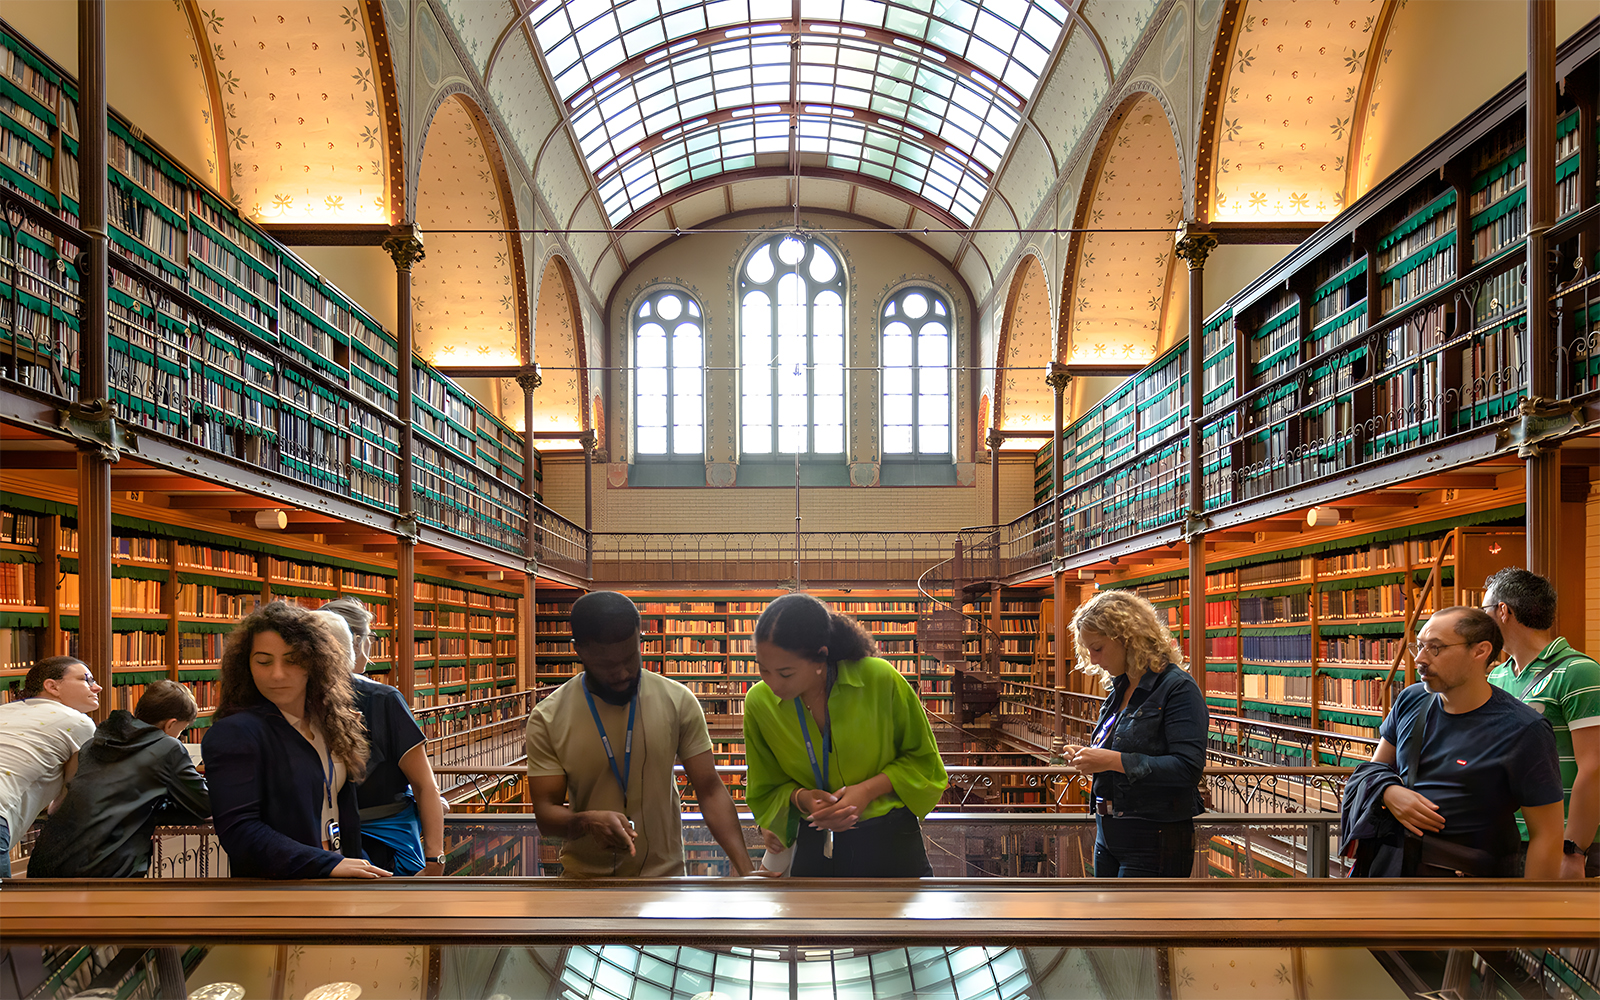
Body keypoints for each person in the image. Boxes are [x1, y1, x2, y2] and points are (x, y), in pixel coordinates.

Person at [525, 590, 754, 877]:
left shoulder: (678, 701)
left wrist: (747, 872)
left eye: (631, 658)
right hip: (583, 883)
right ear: (578, 650)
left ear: (639, 640)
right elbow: (546, 813)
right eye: (607, 665)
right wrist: (586, 821)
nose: (622, 673)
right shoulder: (547, 717)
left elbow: (709, 790)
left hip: (666, 882)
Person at [1341, 607, 1564, 878]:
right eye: (1419, 646)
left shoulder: (1525, 728)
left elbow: (1547, 835)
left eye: (1435, 648)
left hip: (1470, 884)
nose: (1420, 659)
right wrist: (1389, 791)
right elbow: (1375, 769)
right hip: (1394, 870)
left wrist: (1532, 911)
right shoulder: (1411, 700)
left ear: (1480, 651)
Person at [743, 593, 947, 877]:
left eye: (786, 673)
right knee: (811, 922)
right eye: (763, 669)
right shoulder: (758, 703)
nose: (772, 683)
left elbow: (924, 762)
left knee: (900, 923)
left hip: (889, 841)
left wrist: (867, 791)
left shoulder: (879, 679)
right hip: (812, 843)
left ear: (820, 658)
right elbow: (765, 785)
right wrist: (801, 798)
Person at [202, 601, 389, 879]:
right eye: (263, 661)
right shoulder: (235, 733)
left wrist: (354, 862)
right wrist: (326, 863)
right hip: (281, 892)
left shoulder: (329, 722)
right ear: (247, 665)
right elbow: (240, 830)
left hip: (339, 877)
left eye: (293, 660)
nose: (277, 674)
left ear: (315, 662)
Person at [1062, 590, 1208, 878]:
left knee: (1138, 923)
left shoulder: (1177, 688)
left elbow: (1187, 768)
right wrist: (1088, 757)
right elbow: (1119, 748)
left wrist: (1112, 761)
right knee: (1105, 923)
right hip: (1108, 833)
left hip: (1154, 836)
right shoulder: (1119, 689)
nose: (1092, 659)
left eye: (1098, 648)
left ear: (1127, 638)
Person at [1482, 568, 1599, 878]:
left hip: (1562, 842)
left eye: (1484, 611)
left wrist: (1574, 849)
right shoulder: (1496, 675)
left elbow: (1595, 766)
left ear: (1503, 611)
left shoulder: (1579, 671)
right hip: (1510, 838)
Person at [27, 680, 210, 878]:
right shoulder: (167, 747)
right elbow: (205, 804)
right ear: (171, 724)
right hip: (104, 869)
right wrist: (159, 808)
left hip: (46, 861)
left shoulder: (94, 743)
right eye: (181, 731)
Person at [318, 598, 447, 876]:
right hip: (386, 847)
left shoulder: (297, 700)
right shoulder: (384, 699)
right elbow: (426, 784)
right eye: (371, 638)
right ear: (355, 641)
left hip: (323, 849)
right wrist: (435, 860)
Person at [0, 657, 100, 878]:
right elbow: (73, 793)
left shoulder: (5, 710)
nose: (97, 687)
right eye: (86, 679)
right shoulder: (78, 721)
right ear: (52, 686)